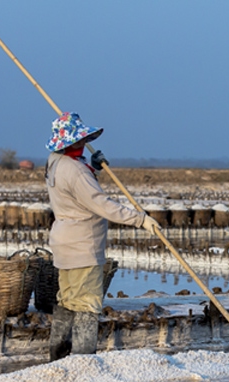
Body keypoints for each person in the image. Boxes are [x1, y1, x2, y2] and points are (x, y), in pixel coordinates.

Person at [44, 112, 161, 361]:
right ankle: (83, 360)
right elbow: (101, 204)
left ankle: (57, 356)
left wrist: (92, 167)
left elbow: (75, 185)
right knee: (86, 304)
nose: (84, 142)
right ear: (72, 142)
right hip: (82, 245)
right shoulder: (76, 172)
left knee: (67, 300)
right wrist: (140, 219)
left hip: (64, 242)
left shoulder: (54, 162)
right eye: (80, 139)